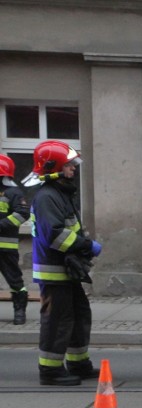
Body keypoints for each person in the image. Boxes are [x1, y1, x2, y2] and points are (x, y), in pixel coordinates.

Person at [22, 140, 100, 386]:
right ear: (53, 167)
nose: (73, 169)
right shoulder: (47, 197)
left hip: (66, 270)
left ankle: (79, 363)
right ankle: (50, 370)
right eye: (68, 165)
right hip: (54, 272)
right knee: (58, 321)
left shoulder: (60, 193)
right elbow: (55, 235)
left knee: (78, 315)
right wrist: (87, 246)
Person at [0, 154, 30, 325]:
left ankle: (20, 311)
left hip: (6, 246)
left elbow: (22, 214)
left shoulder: (14, 193)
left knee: (14, 280)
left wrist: (2, 224)